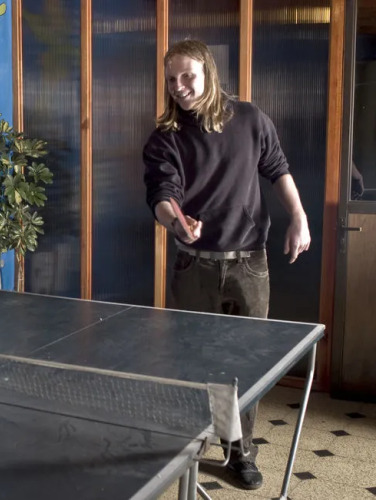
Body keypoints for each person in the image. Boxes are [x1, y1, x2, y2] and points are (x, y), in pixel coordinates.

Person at [142, 39, 311, 490]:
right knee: (200, 363)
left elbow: (277, 169)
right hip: (194, 267)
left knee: (244, 364)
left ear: (209, 74)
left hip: (249, 265)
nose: (179, 86)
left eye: (188, 76)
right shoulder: (166, 137)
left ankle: (239, 451)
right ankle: (195, 444)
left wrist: (298, 216)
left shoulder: (251, 119)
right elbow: (161, 195)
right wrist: (176, 223)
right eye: (171, 79)